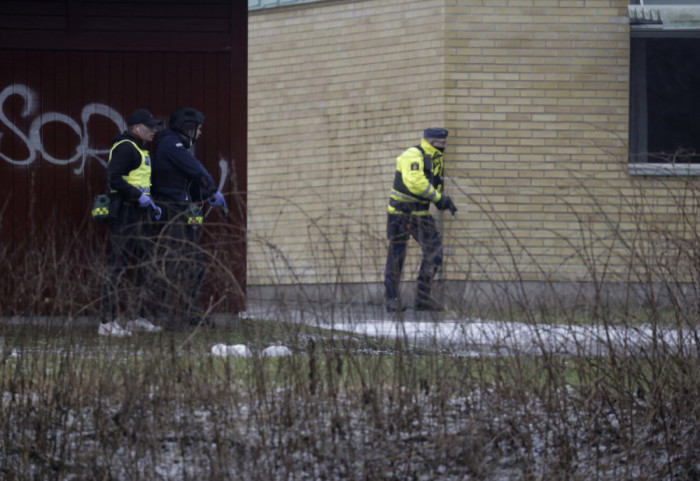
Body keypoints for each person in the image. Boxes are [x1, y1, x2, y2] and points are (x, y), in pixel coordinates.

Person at [150, 107, 227, 329]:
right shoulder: (169, 143)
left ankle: (193, 315)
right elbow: (195, 169)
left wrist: (205, 196)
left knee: (195, 264)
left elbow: (181, 185)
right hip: (171, 211)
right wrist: (212, 189)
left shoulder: (177, 146)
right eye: (198, 129)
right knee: (176, 264)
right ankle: (172, 318)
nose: (200, 133)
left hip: (181, 209)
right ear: (187, 127)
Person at [100, 109, 163, 336]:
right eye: (150, 126)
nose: (154, 130)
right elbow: (111, 177)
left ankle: (137, 317)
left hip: (139, 215)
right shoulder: (126, 147)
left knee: (146, 265)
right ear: (137, 128)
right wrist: (138, 197)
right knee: (117, 267)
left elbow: (139, 182)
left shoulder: (140, 149)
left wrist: (150, 204)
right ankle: (107, 323)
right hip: (125, 214)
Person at [383, 127, 457, 313]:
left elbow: (433, 184)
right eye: (442, 143)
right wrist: (439, 198)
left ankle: (422, 299)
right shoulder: (413, 154)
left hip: (421, 214)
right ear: (432, 142)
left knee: (435, 252)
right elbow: (415, 183)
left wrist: (442, 201)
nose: (445, 146)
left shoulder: (436, 159)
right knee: (397, 256)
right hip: (401, 213)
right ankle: (392, 300)